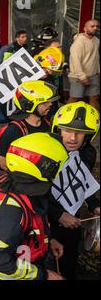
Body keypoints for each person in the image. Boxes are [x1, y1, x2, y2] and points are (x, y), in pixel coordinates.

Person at [0, 132, 67, 280]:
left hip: (28, 261)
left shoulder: (28, 190)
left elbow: (34, 224)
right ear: (45, 169)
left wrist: (49, 241)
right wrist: (44, 275)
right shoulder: (10, 213)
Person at [49, 101, 100, 279]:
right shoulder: (45, 153)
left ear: (89, 136)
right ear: (58, 130)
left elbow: (83, 180)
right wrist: (58, 215)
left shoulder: (88, 153)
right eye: (68, 130)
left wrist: (94, 203)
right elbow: (33, 195)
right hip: (44, 220)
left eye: (80, 133)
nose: (73, 138)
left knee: (69, 254)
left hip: (73, 216)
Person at [0, 81, 59, 171]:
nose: (50, 104)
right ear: (29, 105)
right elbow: (3, 164)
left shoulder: (47, 122)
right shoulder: (12, 132)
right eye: (44, 102)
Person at [68, 19, 100, 110]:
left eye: (97, 26)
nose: (95, 28)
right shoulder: (79, 42)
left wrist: (98, 71)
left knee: (94, 98)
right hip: (78, 76)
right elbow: (75, 61)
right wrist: (82, 76)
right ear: (85, 28)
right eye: (92, 26)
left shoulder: (96, 40)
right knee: (74, 98)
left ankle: (96, 120)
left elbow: (95, 57)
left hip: (94, 75)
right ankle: (62, 119)